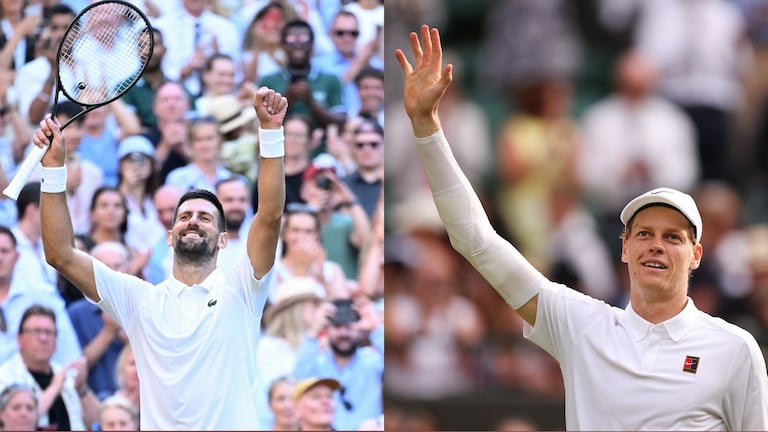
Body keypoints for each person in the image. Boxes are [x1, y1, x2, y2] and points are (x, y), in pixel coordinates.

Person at [395, 25, 768, 430]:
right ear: (624, 248)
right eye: (644, 234)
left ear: (696, 254)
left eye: (673, 237)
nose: (656, 246)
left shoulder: (734, 349)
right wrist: (426, 127)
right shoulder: (582, 325)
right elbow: (474, 238)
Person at [36, 86, 287, 429]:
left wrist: (271, 133)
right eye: (184, 217)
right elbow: (60, 255)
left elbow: (270, 216)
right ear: (169, 236)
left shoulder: (242, 290)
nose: (193, 221)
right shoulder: (140, 300)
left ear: (224, 240)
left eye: (205, 217)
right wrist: (53, 168)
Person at [0, 304, 99, 430]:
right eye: (35, 331)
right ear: (19, 339)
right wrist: (54, 388)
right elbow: (20, 421)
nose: (43, 338)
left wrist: (83, 389)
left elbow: (98, 422)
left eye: (49, 332)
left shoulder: (67, 374)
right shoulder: (5, 376)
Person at [294, 298, 383, 430]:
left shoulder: (373, 360)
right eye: (337, 327)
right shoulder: (318, 362)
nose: (343, 333)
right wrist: (314, 330)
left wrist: (375, 328)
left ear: (359, 327)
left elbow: (401, 368)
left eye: (348, 327)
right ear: (327, 329)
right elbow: (299, 375)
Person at [67, 242, 131, 401]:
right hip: (93, 402)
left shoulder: (143, 304)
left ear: (128, 269)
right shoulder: (77, 313)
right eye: (105, 267)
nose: (112, 273)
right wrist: (108, 332)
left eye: (118, 265)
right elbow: (73, 368)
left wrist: (131, 337)